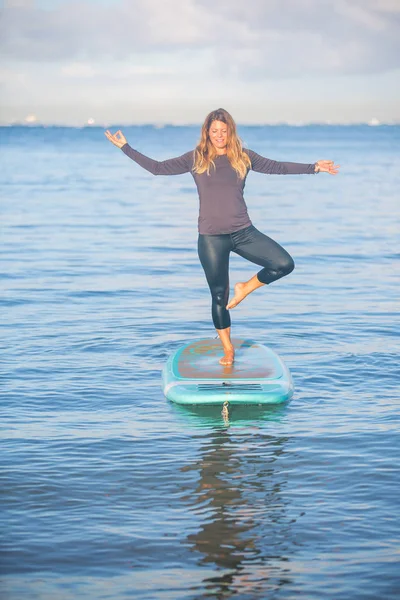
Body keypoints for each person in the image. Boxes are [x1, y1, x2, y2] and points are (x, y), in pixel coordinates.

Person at [105, 108, 339, 366]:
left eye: (223, 131)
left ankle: (246, 287)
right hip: (211, 238)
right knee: (219, 296)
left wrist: (314, 167)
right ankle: (228, 350)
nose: (218, 135)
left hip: (243, 232)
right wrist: (125, 147)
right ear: (207, 132)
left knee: (284, 264)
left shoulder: (243, 157)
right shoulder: (196, 158)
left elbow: (278, 167)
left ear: (230, 132)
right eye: (214, 131)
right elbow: (158, 169)